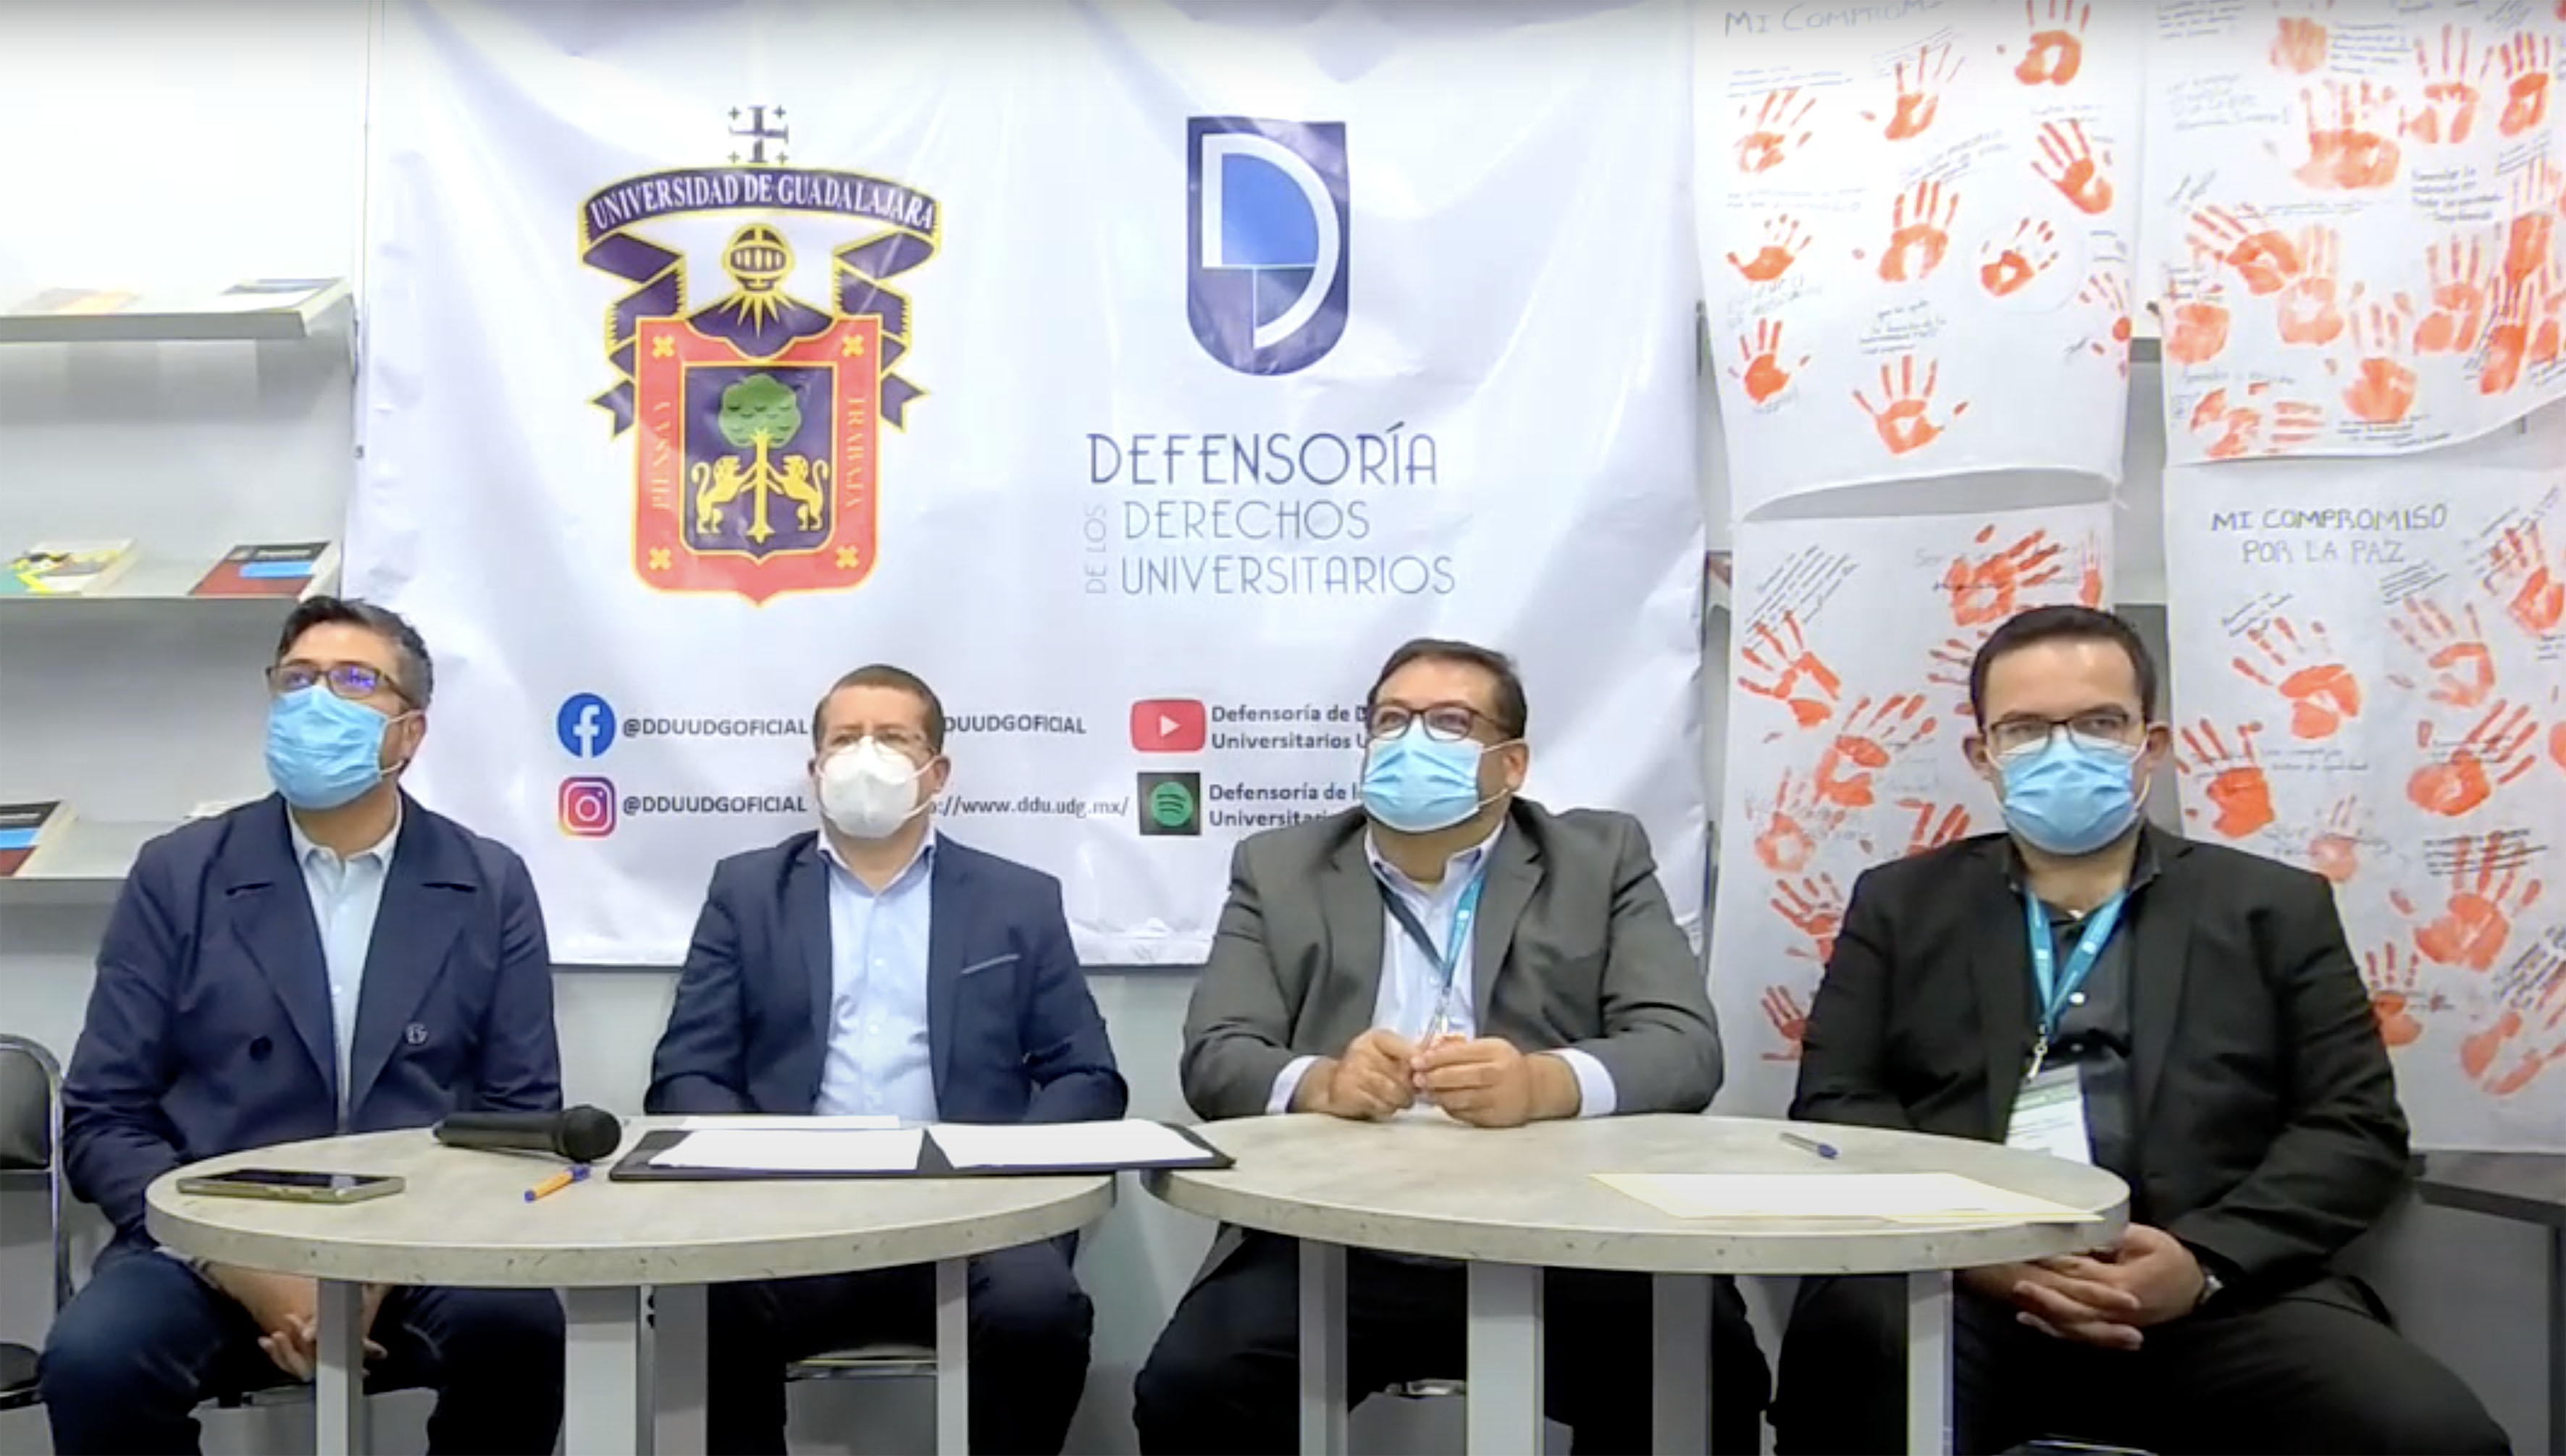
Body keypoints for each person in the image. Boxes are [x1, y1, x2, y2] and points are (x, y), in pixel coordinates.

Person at [1772, 605, 2510, 1456]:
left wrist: (2201, 1261)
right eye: (2025, 729)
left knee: (2434, 1436)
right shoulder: (1900, 905)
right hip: (1961, 1286)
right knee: (1847, 1371)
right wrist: (1975, 1250)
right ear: (1983, 755)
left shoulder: (2274, 907)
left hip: (2215, 1297)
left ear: (2149, 745)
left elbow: (2354, 1128)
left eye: (2097, 723)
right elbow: (1838, 1105)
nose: (2063, 751)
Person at [1133, 638, 1771, 1456]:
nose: (1411, 741)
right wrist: (1325, 1082)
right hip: (1338, 1232)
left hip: (1569, 1229)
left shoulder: (1600, 858)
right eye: (1391, 720)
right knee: (1195, 1384)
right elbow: (1217, 1053)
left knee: (1705, 1377)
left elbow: (1684, 1046)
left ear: (1512, 763)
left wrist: (1542, 1084)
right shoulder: (1280, 866)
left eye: (1449, 722)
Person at [38, 597, 566, 1456]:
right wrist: (245, 1267)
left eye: (354, 680)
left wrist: (377, 1268)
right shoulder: (180, 874)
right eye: (298, 679)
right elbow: (105, 1116)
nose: (317, 700)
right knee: (96, 1359)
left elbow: (520, 1117)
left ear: (409, 732)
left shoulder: (488, 882)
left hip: (422, 1247)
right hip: (207, 1246)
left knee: (522, 1332)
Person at [646, 662, 1125, 1456]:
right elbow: (685, 1075)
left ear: (937, 771)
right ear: (814, 769)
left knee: (1040, 1309)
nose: (866, 756)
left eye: (893, 738)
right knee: (698, 1302)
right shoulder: (748, 892)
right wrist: (767, 1168)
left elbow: (1089, 1076)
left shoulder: (1016, 898)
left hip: (970, 1220)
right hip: (788, 1219)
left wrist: (994, 1168)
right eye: (846, 739)